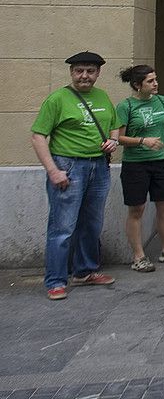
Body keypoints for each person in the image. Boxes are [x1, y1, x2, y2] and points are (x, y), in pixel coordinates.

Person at [32, 51, 119, 300]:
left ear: (98, 73)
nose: (84, 76)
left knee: (91, 224)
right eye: (79, 70)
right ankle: (56, 281)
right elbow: (38, 136)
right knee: (62, 227)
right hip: (68, 166)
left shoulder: (102, 96)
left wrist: (113, 141)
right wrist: (53, 171)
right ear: (71, 72)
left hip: (98, 167)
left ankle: (85, 271)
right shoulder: (58, 99)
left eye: (90, 71)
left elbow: (113, 123)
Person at [112, 65, 164, 272]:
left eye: (156, 79)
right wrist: (142, 141)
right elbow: (118, 138)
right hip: (136, 164)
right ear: (137, 85)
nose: (156, 84)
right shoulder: (126, 106)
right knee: (137, 209)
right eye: (150, 81)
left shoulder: (161, 100)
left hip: (160, 160)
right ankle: (138, 256)